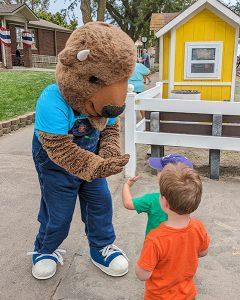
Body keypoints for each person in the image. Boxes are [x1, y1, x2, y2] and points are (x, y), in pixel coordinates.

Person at [135, 163, 210, 300]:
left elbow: (142, 275)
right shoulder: (199, 227)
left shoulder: (155, 239)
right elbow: (203, 252)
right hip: (187, 294)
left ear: (164, 203)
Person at [122, 154, 193, 236]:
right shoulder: (189, 198)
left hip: (155, 244)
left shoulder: (153, 199)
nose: (157, 173)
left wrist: (126, 185)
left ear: (163, 177)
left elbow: (128, 203)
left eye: (160, 170)